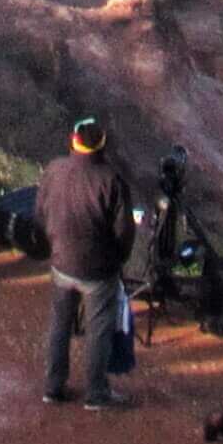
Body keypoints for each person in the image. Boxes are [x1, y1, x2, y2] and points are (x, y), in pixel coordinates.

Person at [40, 117, 133, 408]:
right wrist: (118, 260)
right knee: (99, 330)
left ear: (73, 139)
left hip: (61, 263)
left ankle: (53, 387)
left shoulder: (54, 170)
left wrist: (52, 246)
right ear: (102, 145)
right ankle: (96, 393)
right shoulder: (111, 180)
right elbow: (124, 231)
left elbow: (40, 211)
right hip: (98, 270)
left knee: (60, 324)